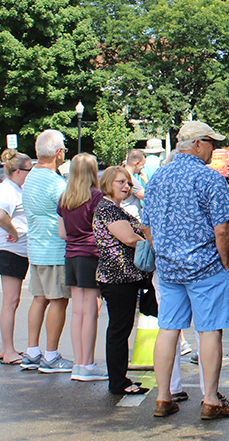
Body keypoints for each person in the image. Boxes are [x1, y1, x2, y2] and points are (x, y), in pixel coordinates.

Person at [144, 120, 229, 420]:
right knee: (209, 331)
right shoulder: (210, 179)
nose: (214, 149)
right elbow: (221, 229)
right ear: (197, 144)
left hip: (170, 269)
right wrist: (226, 262)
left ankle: (163, 397)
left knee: (168, 329)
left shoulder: (158, 176)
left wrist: (164, 251)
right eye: (211, 142)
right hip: (206, 267)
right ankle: (210, 399)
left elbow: (147, 225)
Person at [93, 166, 151, 395]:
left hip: (126, 277)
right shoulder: (107, 208)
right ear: (108, 183)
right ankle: (118, 382)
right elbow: (128, 238)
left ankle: (120, 379)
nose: (126, 187)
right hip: (117, 277)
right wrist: (151, 244)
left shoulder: (115, 208)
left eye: (128, 183)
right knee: (119, 330)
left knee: (122, 328)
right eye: (120, 182)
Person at [20, 129, 72, 373]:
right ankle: (51, 355)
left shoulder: (31, 177)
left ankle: (32, 351)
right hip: (54, 249)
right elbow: (70, 210)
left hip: (36, 247)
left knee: (39, 299)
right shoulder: (55, 183)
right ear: (59, 153)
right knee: (58, 301)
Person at [58, 152, 107, 381]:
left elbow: (62, 233)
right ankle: (88, 364)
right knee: (91, 312)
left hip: (71, 256)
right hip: (90, 256)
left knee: (77, 311)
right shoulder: (96, 197)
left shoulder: (65, 198)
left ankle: (78, 363)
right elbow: (101, 231)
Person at [0, 149, 33, 365]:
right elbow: (0, 215)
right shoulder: (8, 190)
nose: (30, 174)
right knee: (11, 301)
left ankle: (5, 348)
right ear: (17, 171)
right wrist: (14, 232)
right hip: (9, 250)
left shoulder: (14, 188)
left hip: (14, 250)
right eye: (28, 171)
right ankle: (8, 351)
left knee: (12, 301)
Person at [121, 149, 147, 217]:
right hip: (132, 217)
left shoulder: (121, 174)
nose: (143, 167)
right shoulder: (131, 179)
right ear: (136, 163)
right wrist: (146, 181)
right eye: (142, 164)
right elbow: (148, 197)